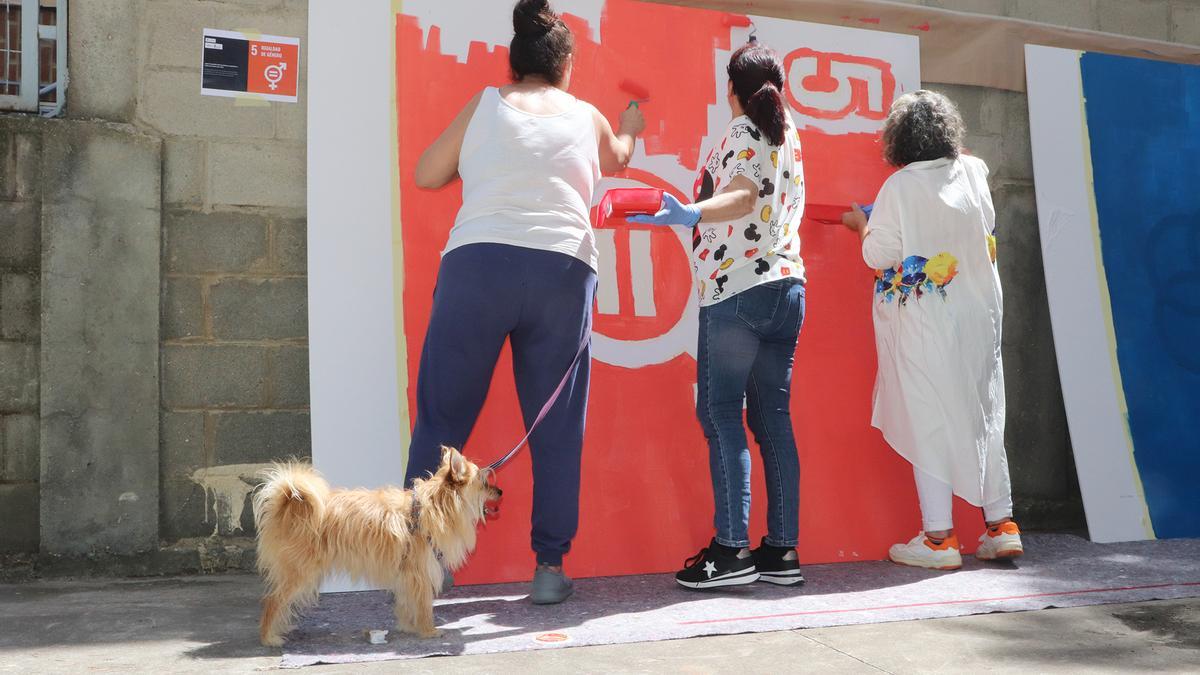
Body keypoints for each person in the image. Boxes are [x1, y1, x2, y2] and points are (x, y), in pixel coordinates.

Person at [406, 0, 644, 604]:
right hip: (562, 272)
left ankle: (424, 564)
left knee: (440, 421)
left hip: (478, 268)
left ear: (514, 66)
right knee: (557, 430)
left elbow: (427, 174)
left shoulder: (486, 103)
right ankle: (548, 568)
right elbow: (620, 156)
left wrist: (488, 161)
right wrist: (632, 121)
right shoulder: (587, 115)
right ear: (565, 68)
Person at [630, 43, 807, 589]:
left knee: (721, 414)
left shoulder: (742, 130)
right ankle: (780, 551)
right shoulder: (789, 133)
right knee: (771, 418)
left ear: (732, 90)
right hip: (788, 290)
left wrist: (690, 213)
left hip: (738, 292)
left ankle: (731, 550)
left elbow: (742, 196)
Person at [841, 90, 1023, 570]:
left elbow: (877, 256)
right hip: (980, 316)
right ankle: (1001, 526)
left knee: (927, 418)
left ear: (898, 139)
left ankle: (939, 538)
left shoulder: (899, 187)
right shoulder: (975, 170)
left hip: (926, 322)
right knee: (985, 412)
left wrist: (861, 224)